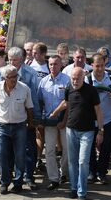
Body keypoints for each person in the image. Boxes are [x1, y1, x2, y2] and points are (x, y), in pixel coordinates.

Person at [0, 47, 41, 190]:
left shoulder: (30, 74)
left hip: (24, 119)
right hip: (5, 120)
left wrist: (34, 120)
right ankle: (5, 179)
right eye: (10, 59)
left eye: (16, 60)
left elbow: (34, 98)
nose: (12, 62)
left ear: (22, 60)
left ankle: (28, 177)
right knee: (3, 152)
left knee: (27, 150)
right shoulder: (0, 73)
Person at [50, 67, 103, 200]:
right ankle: (74, 188)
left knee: (83, 161)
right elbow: (66, 103)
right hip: (71, 129)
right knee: (72, 161)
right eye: (72, 78)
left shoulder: (91, 90)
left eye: (77, 78)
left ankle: (82, 192)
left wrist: (101, 131)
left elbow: (98, 111)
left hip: (87, 131)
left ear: (83, 77)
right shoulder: (69, 88)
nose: (74, 81)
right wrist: (55, 112)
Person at [85, 53, 111, 184]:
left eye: (102, 66)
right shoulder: (87, 80)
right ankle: (91, 172)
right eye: (97, 66)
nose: (100, 69)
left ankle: (102, 172)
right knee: (90, 146)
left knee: (106, 147)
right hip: (91, 119)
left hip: (108, 118)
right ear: (92, 66)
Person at [38, 56, 69, 190]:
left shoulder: (67, 81)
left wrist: (64, 120)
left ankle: (64, 173)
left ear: (61, 65)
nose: (52, 67)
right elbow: (39, 102)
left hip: (65, 120)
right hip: (49, 122)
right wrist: (40, 120)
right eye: (50, 64)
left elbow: (70, 103)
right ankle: (54, 178)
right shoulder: (43, 82)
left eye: (55, 64)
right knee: (49, 150)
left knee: (67, 150)